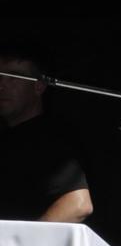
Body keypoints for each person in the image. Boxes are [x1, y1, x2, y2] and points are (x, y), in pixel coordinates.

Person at [0, 52, 92, 222]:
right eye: (0, 78)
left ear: (39, 86)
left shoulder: (50, 137)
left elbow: (78, 204)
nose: (2, 86)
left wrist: (24, 244)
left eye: (13, 78)